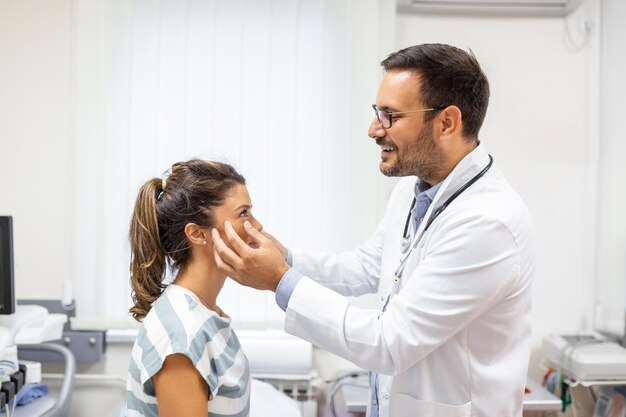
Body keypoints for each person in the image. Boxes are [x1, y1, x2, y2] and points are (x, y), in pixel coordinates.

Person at [211, 43, 535, 417]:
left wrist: (280, 280)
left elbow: (390, 341)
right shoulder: (411, 193)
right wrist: (285, 258)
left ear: (447, 122)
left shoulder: (488, 223)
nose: (373, 130)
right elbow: (365, 267)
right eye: (376, 113)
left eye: (390, 116)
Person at [125, 159, 263, 417]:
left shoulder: (205, 313)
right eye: (243, 213)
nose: (256, 226)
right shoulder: (182, 338)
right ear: (198, 234)